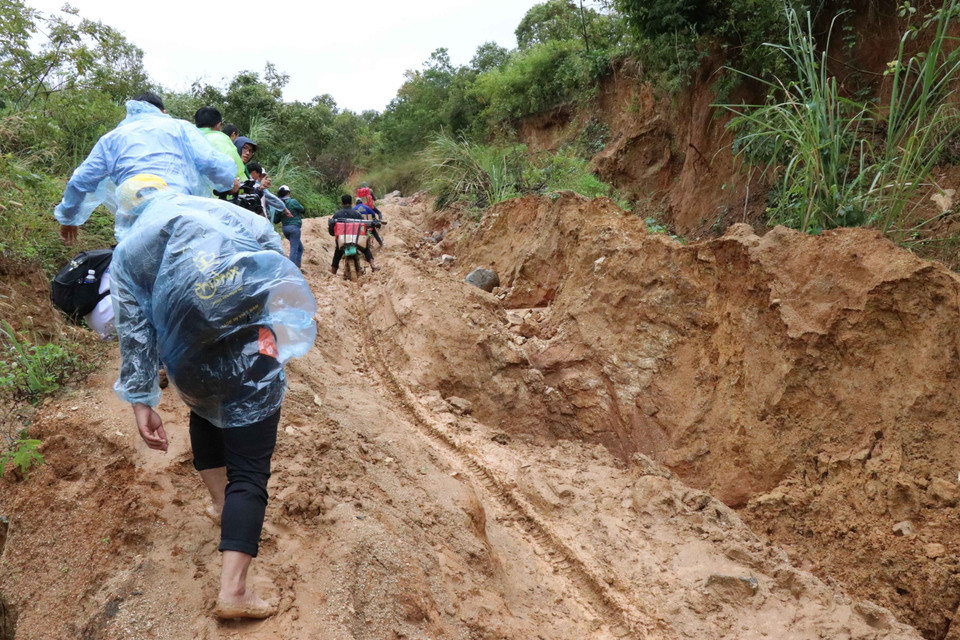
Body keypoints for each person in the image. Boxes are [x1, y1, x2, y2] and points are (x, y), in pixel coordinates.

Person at [110, 174, 317, 620]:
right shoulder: (223, 211)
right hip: (252, 342)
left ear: (126, 212)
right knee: (251, 470)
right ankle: (234, 591)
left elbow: (135, 331)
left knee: (206, 411)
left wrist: (141, 400)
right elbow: (271, 256)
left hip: (189, 363)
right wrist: (272, 324)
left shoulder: (128, 253)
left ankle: (223, 507)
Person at [54, 92, 236, 244]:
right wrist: (229, 183)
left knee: (134, 272)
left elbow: (80, 181)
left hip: (134, 216)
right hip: (178, 208)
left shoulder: (111, 138)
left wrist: (69, 219)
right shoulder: (179, 127)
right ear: (163, 112)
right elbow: (213, 164)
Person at [195, 107, 246, 187]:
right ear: (219, 125)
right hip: (218, 195)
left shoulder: (188, 138)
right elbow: (233, 169)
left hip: (188, 194)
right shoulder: (221, 139)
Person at [329, 194, 378, 274]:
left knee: (337, 255)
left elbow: (331, 231)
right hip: (356, 240)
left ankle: (333, 273)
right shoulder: (357, 214)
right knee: (366, 250)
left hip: (342, 241)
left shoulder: (337, 215)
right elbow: (364, 227)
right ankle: (373, 265)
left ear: (342, 203)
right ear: (351, 202)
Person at [277, 185, 305, 268]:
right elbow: (302, 209)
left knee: (300, 248)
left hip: (285, 229)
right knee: (294, 249)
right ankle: (291, 269)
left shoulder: (279, 203)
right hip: (294, 228)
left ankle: (297, 266)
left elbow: (276, 220)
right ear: (288, 193)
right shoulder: (293, 201)